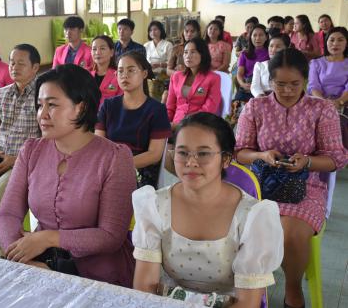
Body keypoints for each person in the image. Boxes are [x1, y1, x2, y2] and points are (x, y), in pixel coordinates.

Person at [0, 64, 137, 287]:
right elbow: (8, 214)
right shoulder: (32, 150)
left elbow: (111, 235)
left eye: (52, 105)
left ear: (81, 108)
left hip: (99, 278)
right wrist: (23, 257)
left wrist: (49, 238)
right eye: (40, 105)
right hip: (40, 266)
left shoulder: (115, 158)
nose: (42, 114)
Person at [132, 112, 283, 307]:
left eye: (203, 153)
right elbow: (145, 287)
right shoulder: (155, 206)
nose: (191, 162)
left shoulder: (251, 217)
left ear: (226, 159)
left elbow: (247, 303)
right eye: (182, 152)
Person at [235, 48, 348, 308]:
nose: (287, 90)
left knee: (291, 232)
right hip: (261, 185)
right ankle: (247, 285)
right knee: (231, 223)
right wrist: (262, 156)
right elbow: (239, 152)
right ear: (270, 81)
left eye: (295, 84)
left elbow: (336, 158)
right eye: (280, 84)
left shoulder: (321, 109)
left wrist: (307, 161)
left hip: (306, 187)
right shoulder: (256, 106)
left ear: (306, 81)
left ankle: (293, 288)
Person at [96, 51, 171, 188]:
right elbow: (99, 144)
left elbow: (155, 154)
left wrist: (121, 165)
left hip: (140, 170)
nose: (125, 75)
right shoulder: (108, 106)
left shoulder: (157, 110)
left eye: (131, 70)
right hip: (108, 167)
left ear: (144, 73)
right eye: (120, 71)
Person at [0, 44, 41, 208]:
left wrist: (14, 160)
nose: (14, 67)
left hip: (28, 162)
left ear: (35, 67)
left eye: (21, 63)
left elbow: (48, 141)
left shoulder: (43, 95)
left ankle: (10, 234)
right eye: (11, 63)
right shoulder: (1, 94)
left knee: (2, 188)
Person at [166, 38, 221, 127]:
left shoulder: (214, 78)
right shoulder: (176, 76)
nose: (188, 56)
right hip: (175, 125)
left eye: (193, 52)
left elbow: (209, 109)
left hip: (200, 125)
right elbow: (170, 107)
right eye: (186, 52)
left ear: (202, 54)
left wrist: (182, 125)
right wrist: (164, 124)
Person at [308, 27, 348, 148]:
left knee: (340, 124)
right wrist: (325, 102)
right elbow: (313, 85)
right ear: (326, 42)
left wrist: (339, 101)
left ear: (347, 43)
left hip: (343, 102)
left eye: (340, 40)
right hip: (319, 101)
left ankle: (339, 154)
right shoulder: (316, 63)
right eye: (331, 40)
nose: (335, 43)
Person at [235, 24, 269, 102]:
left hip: (264, 90)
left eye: (261, 35)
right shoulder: (244, 54)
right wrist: (243, 84)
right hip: (247, 88)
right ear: (250, 37)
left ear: (266, 37)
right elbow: (240, 73)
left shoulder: (270, 53)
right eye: (254, 35)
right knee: (237, 107)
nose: (257, 38)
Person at [251, 33, 291, 97]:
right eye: (271, 46)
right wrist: (262, 97)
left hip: (284, 99)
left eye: (278, 47)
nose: (273, 50)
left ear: (286, 49)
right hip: (263, 98)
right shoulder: (260, 66)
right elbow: (255, 86)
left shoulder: (291, 67)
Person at [144, 21, 173, 101]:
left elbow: (172, 63)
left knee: (162, 100)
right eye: (150, 30)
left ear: (161, 30)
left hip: (164, 76)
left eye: (155, 29)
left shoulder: (168, 44)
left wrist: (160, 64)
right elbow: (143, 61)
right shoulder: (146, 45)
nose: (153, 32)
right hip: (149, 75)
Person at [90, 35, 122, 106]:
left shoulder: (119, 76)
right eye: (94, 49)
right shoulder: (86, 75)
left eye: (102, 48)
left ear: (111, 52)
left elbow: (121, 103)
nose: (97, 52)